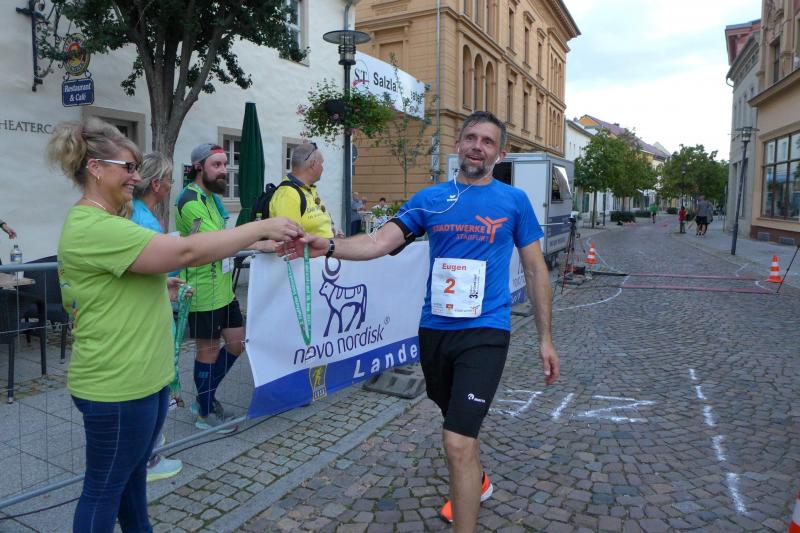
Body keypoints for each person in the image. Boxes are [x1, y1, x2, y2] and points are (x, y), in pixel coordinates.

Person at [283, 111, 560, 532]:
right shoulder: (430, 199)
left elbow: (536, 269)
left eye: (487, 141)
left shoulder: (514, 201)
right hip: (435, 331)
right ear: (458, 144)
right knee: (458, 424)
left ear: (500, 154)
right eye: (471, 137)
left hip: (486, 331)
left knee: (456, 441)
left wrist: (545, 339)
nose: (477, 147)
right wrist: (328, 246)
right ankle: (477, 479)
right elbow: (379, 242)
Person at [48, 117, 302, 532]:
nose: (137, 177)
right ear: (95, 168)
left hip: (142, 379)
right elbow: (185, 251)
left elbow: (115, 279)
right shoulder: (95, 226)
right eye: (128, 168)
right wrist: (260, 226)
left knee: (131, 484)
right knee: (103, 491)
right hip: (116, 384)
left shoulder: (110, 222)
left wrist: (156, 284)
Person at [176, 143, 248, 432]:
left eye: (225, 164)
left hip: (224, 290)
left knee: (236, 343)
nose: (224, 170)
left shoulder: (212, 199)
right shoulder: (190, 200)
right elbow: (217, 243)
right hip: (202, 291)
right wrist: (259, 239)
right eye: (216, 165)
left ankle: (204, 399)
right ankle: (205, 412)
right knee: (208, 351)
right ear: (198, 167)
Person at [130, 152, 183, 482]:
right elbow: (154, 266)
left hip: (149, 306)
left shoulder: (137, 213)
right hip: (149, 316)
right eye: (169, 179)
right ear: (156, 184)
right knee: (153, 386)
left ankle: (148, 451)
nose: (171, 185)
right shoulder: (144, 220)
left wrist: (164, 282)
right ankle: (147, 458)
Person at [269, 142, 338, 237]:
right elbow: (290, 240)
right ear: (313, 164)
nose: (323, 168)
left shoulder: (308, 189)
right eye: (321, 164)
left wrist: (332, 234)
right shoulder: (288, 195)